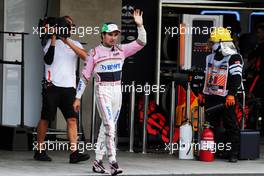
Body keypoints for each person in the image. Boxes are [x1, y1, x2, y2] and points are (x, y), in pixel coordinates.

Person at [73, 9, 146, 175]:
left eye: (116, 34)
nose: (113, 37)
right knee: (110, 127)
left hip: (117, 91)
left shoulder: (121, 49)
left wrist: (140, 26)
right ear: (102, 35)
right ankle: (113, 162)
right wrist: (77, 98)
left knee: (105, 129)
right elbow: (85, 77)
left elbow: (142, 42)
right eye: (110, 34)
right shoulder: (94, 53)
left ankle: (98, 161)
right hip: (102, 90)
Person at [34, 16, 90, 163]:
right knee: (46, 119)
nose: (69, 28)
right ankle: (39, 150)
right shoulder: (48, 42)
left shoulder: (75, 43)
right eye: (66, 25)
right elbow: (48, 59)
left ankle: (74, 153)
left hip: (69, 89)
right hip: (52, 87)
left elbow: (87, 58)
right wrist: (54, 37)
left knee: (72, 119)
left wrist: (67, 41)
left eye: (70, 26)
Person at [200, 27, 243, 163]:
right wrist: (202, 93)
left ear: (220, 43)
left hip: (226, 97)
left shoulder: (234, 57)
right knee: (211, 125)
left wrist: (231, 94)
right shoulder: (209, 57)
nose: (210, 45)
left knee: (230, 124)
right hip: (212, 95)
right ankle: (214, 150)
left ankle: (234, 153)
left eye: (212, 42)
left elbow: (237, 78)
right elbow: (206, 76)